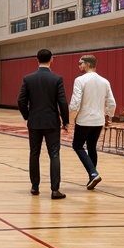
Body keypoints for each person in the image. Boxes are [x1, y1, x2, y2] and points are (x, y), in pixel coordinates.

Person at [17, 48, 70, 199]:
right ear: (51, 59)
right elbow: (62, 102)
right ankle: (55, 189)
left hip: (34, 122)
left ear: (37, 59)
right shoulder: (57, 79)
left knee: (34, 153)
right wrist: (66, 121)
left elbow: (20, 101)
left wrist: (28, 116)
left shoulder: (28, 78)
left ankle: (35, 187)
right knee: (54, 154)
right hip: (52, 122)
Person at [68, 54, 116, 189]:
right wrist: (109, 116)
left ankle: (93, 173)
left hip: (84, 120)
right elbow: (111, 102)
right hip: (98, 121)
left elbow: (75, 102)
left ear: (88, 64)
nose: (79, 66)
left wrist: (70, 118)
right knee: (91, 148)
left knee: (77, 146)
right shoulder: (104, 81)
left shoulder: (80, 80)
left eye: (80, 63)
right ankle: (92, 177)